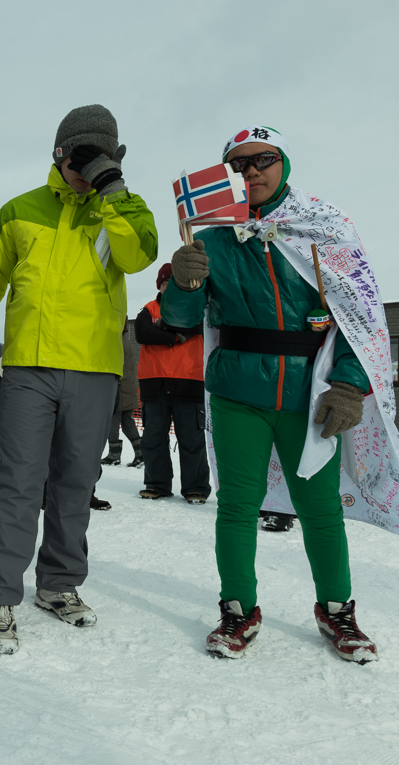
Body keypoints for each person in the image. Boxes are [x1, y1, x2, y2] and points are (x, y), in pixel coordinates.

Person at [163, 125, 380, 663]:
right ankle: (238, 609)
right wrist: (183, 284)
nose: (252, 171)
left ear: (283, 163)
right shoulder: (211, 238)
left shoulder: (324, 230)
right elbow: (180, 321)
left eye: (263, 158)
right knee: (238, 504)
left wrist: (348, 384)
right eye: (238, 165)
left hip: (311, 392)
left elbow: (358, 317)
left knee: (320, 507)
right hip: (237, 389)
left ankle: (337, 609)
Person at [0, 104, 158, 654]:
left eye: (101, 158)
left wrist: (111, 189)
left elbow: (138, 256)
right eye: (81, 158)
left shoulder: (123, 207)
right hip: (28, 366)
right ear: (58, 155)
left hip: (95, 368)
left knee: (76, 483)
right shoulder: (19, 210)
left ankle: (58, 583)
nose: (87, 168)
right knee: (18, 483)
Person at [135, 263, 210, 503]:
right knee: (153, 438)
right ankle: (156, 484)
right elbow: (142, 333)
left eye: (175, 284)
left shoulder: (197, 309)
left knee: (191, 439)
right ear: (159, 285)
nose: (170, 288)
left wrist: (161, 329)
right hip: (154, 381)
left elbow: (197, 327)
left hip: (189, 379)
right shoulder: (149, 308)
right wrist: (177, 336)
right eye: (166, 283)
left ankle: (196, 487)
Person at [102, 325, 142, 468]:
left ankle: (114, 456)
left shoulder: (115, 340)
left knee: (112, 422)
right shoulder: (125, 340)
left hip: (119, 389)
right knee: (127, 422)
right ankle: (141, 453)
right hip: (128, 388)